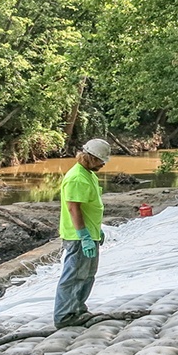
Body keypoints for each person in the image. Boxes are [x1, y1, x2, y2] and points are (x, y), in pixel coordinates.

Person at [54, 138, 110, 328]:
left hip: (89, 233)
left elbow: (89, 206)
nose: (103, 164)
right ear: (91, 158)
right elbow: (73, 209)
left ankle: (77, 309)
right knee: (74, 276)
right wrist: (84, 235)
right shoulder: (77, 178)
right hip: (78, 237)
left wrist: (96, 229)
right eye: (101, 160)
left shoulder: (88, 174)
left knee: (87, 275)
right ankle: (64, 316)